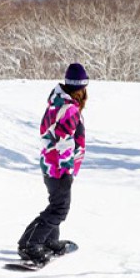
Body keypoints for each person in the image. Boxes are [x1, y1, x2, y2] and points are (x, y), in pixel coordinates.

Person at [17, 62, 88, 266]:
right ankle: (30, 244)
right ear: (82, 88)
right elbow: (64, 141)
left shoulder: (57, 103)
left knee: (56, 205)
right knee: (59, 208)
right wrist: (66, 170)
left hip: (51, 163)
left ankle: (49, 240)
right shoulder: (69, 109)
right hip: (58, 167)